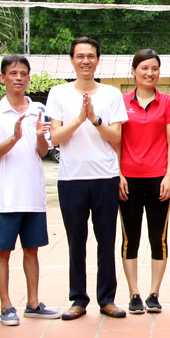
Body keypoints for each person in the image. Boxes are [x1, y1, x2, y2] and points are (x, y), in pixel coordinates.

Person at [47, 37, 129, 320]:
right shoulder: (58, 93)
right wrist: (80, 118)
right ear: (72, 60)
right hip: (71, 180)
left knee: (106, 240)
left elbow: (117, 137)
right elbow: (55, 138)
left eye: (91, 56)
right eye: (80, 56)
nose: (85, 60)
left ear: (97, 60)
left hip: (105, 177)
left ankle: (107, 299)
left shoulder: (111, 94)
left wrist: (95, 119)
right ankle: (78, 300)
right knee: (76, 241)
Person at [0, 55, 59, 326]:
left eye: (23, 73)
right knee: (3, 252)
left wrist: (37, 136)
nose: (19, 78)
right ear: (3, 78)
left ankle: (33, 303)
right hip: (5, 199)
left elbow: (44, 151)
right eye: (13, 73)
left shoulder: (39, 109)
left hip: (33, 197)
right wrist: (14, 137)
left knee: (32, 251)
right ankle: (5, 305)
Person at [119, 49, 170, 315]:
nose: (149, 73)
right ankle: (134, 293)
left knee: (159, 238)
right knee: (129, 239)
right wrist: (118, 174)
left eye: (154, 68)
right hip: (128, 180)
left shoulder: (168, 102)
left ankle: (154, 293)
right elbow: (115, 141)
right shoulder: (120, 101)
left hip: (158, 179)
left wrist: (169, 176)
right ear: (134, 71)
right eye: (144, 68)